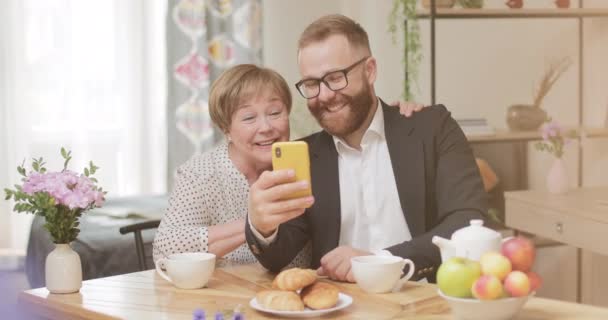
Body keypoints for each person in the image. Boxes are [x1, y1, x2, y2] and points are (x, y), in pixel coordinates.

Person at [245, 14, 488, 282]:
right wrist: (261, 226)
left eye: (336, 77)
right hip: (338, 306)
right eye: (312, 84)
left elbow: (466, 220)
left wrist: (381, 261)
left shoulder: (433, 128)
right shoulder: (306, 156)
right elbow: (279, 255)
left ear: (370, 70)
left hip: (424, 300)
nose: (324, 95)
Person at [152, 64, 424, 266]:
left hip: (307, 299)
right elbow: (165, 248)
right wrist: (255, 224)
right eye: (249, 118)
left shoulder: (311, 158)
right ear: (226, 127)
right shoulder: (203, 174)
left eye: (275, 113)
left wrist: (393, 119)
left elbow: (362, 138)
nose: (266, 128)